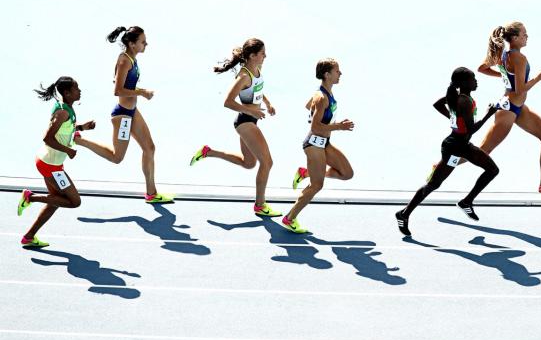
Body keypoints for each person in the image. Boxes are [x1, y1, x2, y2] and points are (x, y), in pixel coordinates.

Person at [74, 26, 173, 203]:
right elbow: (118, 90)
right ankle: (78, 139)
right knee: (116, 157)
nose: (146, 44)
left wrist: (138, 90)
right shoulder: (124, 60)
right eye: (143, 41)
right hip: (123, 116)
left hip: (132, 112)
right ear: (132, 43)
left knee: (149, 148)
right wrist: (142, 93)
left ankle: (151, 193)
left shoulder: (132, 59)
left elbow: (123, 82)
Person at [396, 68, 498, 236]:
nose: (476, 81)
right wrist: (489, 114)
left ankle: (467, 202)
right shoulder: (463, 101)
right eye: (473, 78)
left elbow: (438, 104)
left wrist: (454, 120)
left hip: (460, 145)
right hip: (455, 149)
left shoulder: (459, 97)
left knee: (492, 170)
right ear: (464, 83)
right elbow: (471, 129)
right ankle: (404, 214)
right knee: (434, 184)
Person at [190, 38, 280, 217]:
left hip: (250, 120)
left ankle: (209, 152)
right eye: (262, 53)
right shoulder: (244, 76)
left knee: (249, 163)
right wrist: (251, 111)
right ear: (253, 56)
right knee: (267, 162)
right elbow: (228, 102)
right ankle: (260, 205)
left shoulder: (257, 69)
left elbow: (259, 89)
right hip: (246, 122)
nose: (265, 56)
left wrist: (268, 103)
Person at [474, 22, 541, 196]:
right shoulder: (519, 58)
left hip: (518, 108)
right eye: (524, 34)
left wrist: (502, 74)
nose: (527, 37)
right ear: (514, 38)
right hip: (508, 109)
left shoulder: (503, 55)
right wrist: (538, 78)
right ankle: (441, 165)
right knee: (483, 151)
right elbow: (520, 89)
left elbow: (483, 68)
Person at [18, 77, 95, 247]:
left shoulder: (66, 109)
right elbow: (47, 138)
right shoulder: (62, 113)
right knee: (75, 202)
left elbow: (65, 130)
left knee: (55, 200)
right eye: (76, 88)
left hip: (52, 164)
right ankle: (30, 197)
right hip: (49, 166)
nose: (79, 90)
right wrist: (68, 150)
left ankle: (29, 237)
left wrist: (82, 127)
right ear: (67, 93)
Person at [283, 59, 355, 233]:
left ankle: (306, 173)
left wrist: (324, 118)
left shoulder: (325, 93)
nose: (340, 74)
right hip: (314, 145)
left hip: (325, 143)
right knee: (317, 185)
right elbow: (315, 127)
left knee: (347, 173)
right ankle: (289, 218)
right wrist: (339, 126)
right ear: (327, 74)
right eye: (337, 71)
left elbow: (309, 106)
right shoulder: (322, 97)